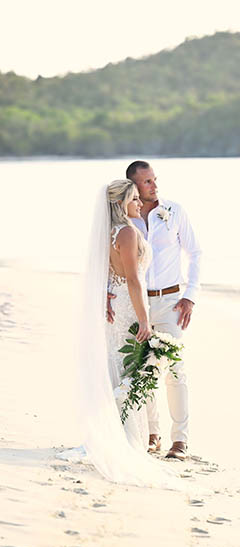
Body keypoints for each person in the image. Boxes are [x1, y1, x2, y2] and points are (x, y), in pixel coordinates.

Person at [58, 179, 180, 488]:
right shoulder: (126, 232)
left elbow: (107, 274)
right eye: (135, 199)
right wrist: (144, 320)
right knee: (127, 370)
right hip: (128, 305)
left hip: (117, 301)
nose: (140, 203)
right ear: (121, 203)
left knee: (120, 368)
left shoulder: (111, 233)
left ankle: (117, 434)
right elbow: (134, 280)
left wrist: (106, 296)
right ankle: (123, 440)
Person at [108, 161, 202, 461]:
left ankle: (180, 441)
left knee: (175, 369)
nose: (154, 185)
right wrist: (107, 292)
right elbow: (114, 265)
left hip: (170, 301)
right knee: (140, 368)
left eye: (153, 180)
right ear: (133, 186)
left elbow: (195, 252)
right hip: (136, 304)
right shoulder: (126, 220)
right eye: (146, 182)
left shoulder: (174, 211)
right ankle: (151, 433)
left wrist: (190, 295)